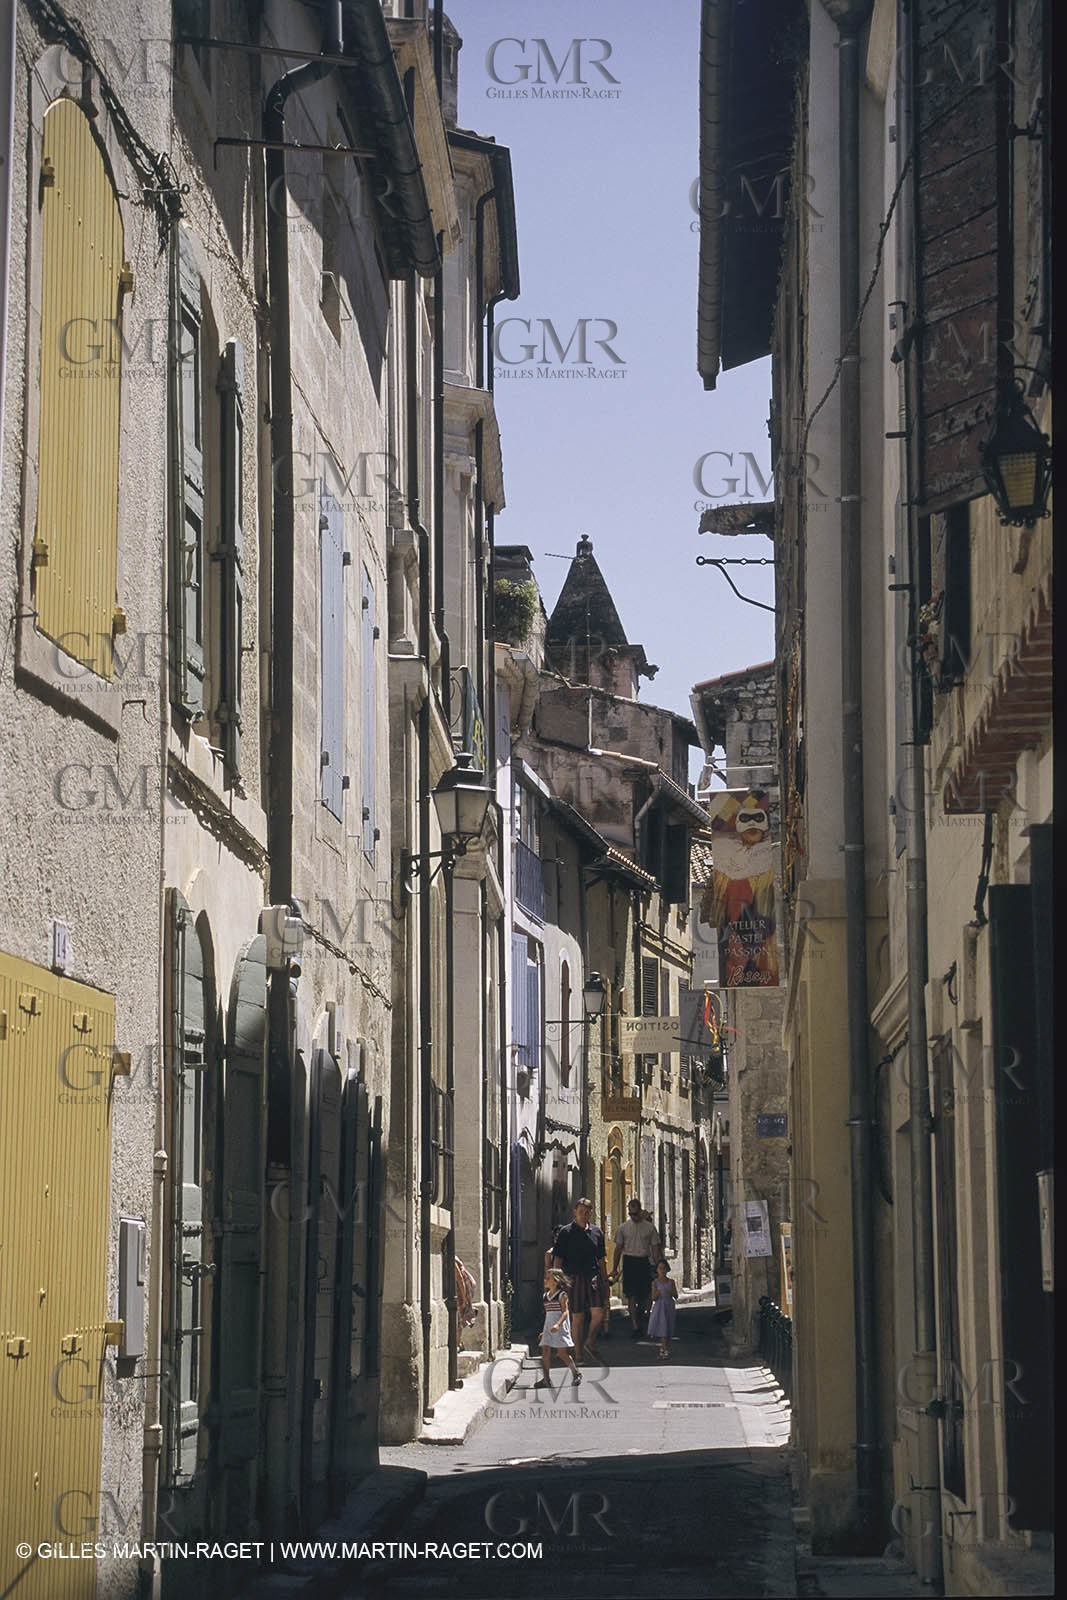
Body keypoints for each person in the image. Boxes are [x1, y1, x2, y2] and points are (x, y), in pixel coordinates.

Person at [552, 1197, 608, 1361]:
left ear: (591, 1213)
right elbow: (558, 1259)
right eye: (580, 1212)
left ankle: (590, 1341)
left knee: (598, 1312)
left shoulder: (597, 1232)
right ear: (575, 1212)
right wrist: (557, 1281)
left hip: (593, 1277)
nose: (583, 1215)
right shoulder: (566, 1232)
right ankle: (578, 1354)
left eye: (586, 1212)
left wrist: (605, 1280)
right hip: (573, 1278)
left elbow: (601, 1258)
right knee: (578, 1316)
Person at [610, 1199, 662, 1338]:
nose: (633, 1216)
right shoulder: (623, 1228)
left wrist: (658, 1268)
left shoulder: (650, 1228)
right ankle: (635, 1325)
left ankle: (642, 1313)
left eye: (635, 1213)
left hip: (643, 1261)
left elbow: (655, 1249)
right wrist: (614, 1268)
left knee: (645, 1294)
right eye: (630, 1214)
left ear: (640, 1211)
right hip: (629, 1261)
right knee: (631, 1294)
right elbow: (618, 1249)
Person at [535, 1267, 581, 1388]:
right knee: (545, 1350)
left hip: (559, 1327)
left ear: (555, 1281)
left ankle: (575, 1373)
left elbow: (565, 1312)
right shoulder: (545, 1296)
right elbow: (548, 1314)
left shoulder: (562, 1295)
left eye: (548, 1278)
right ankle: (546, 1379)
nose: (545, 1280)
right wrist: (544, 1330)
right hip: (549, 1327)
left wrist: (558, 1325)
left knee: (561, 1353)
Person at [646, 1257, 678, 1359]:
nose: (662, 1271)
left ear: (667, 1269)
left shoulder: (671, 1282)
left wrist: (671, 1292)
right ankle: (663, 1350)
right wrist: (657, 1293)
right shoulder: (655, 1283)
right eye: (660, 1268)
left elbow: (676, 1295)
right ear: (657, 1270)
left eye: (664, 1268)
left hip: (669, 1306)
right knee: (662, 1327)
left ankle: (665, 1348)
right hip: (660, 1307)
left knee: (668, 1327)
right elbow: (653, 1298)